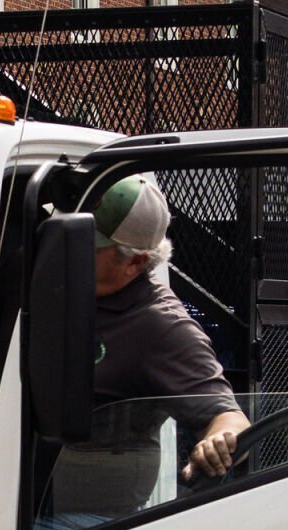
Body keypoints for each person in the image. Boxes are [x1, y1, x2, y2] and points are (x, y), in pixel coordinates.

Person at [90, 175, 248, 484]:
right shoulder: (63, 280)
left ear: (135, 262)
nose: (68, 248)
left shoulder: (161, 325)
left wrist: (219, 440)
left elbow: (229, 418)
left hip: (90, 501)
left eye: (90, 245)